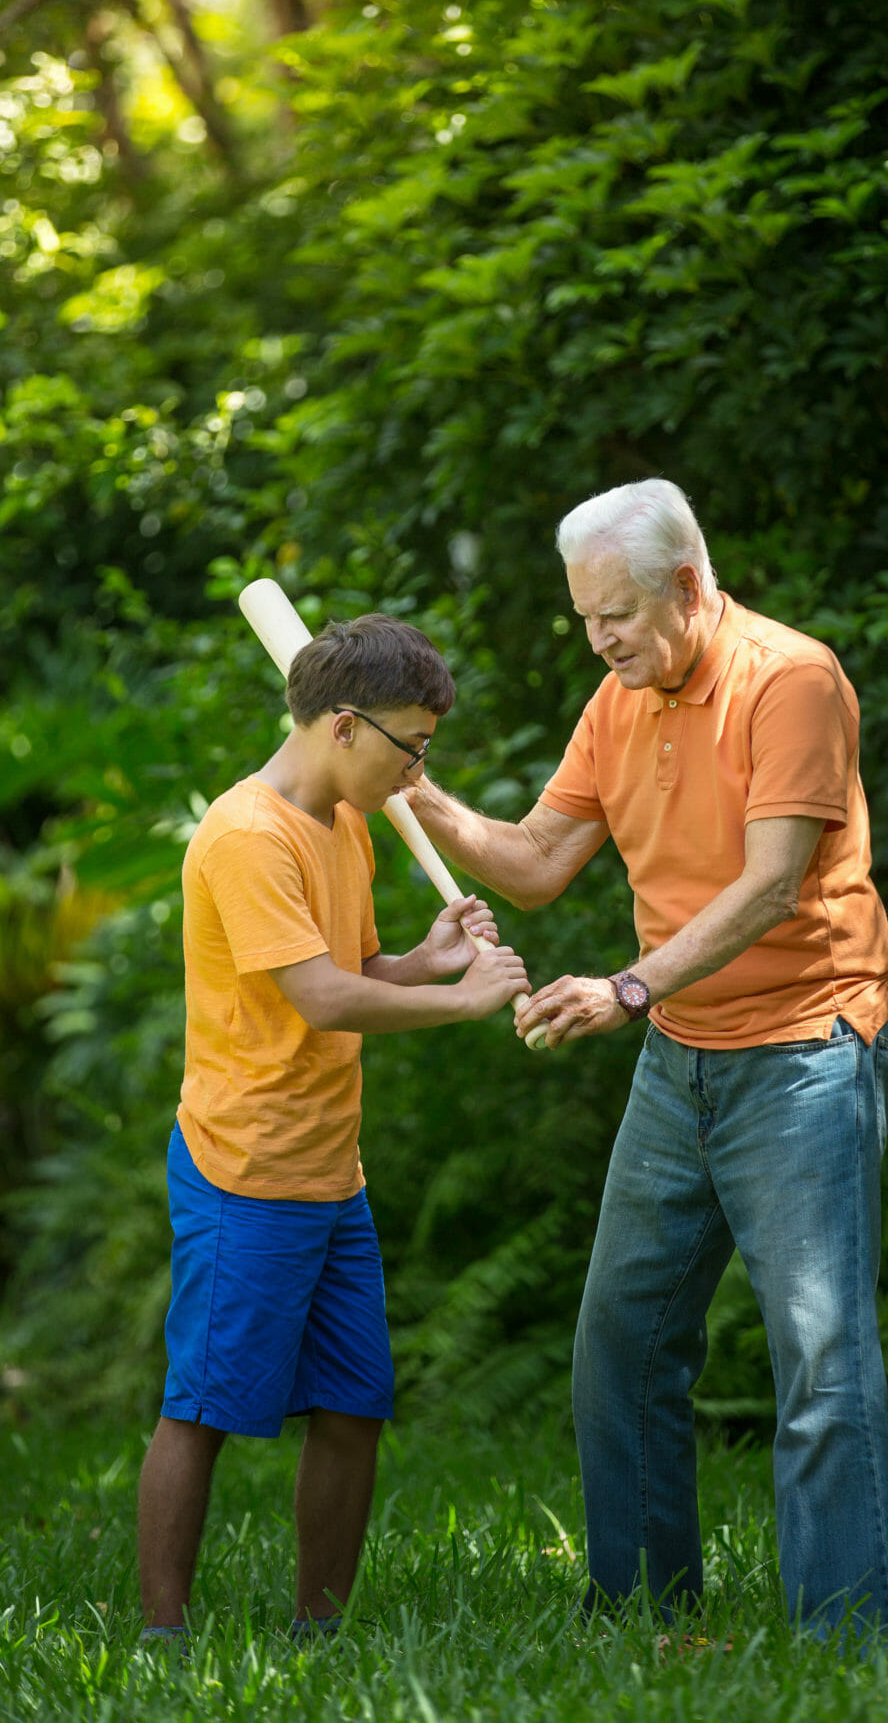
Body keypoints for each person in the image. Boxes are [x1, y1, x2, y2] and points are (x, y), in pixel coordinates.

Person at [404, 480, 888, 1643]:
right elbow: (534, 862)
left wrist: (630, 987)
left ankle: (853, 1640)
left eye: (614, 617)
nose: (599, 640)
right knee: (620, 1348)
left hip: (804, 1050)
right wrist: (416, 793)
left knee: (818, 1363)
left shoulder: (790, 681)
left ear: (686, 585)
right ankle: (643, 1612)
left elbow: (770, 883)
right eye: (584, 619)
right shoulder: (617, 700)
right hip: (681, 1061)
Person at [136, 613, 529, 1650]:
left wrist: (430, 958)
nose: (418, 774)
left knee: (355, 1404)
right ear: (345, 728)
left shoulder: (344, 822)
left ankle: (320, 1628)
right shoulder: (244, 835)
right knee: (206, 1407)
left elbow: (357, 971)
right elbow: (317, 997)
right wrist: (464, 1004)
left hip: (328, 1174)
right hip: (245, 1168)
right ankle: (162, 1635)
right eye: (413, 747)